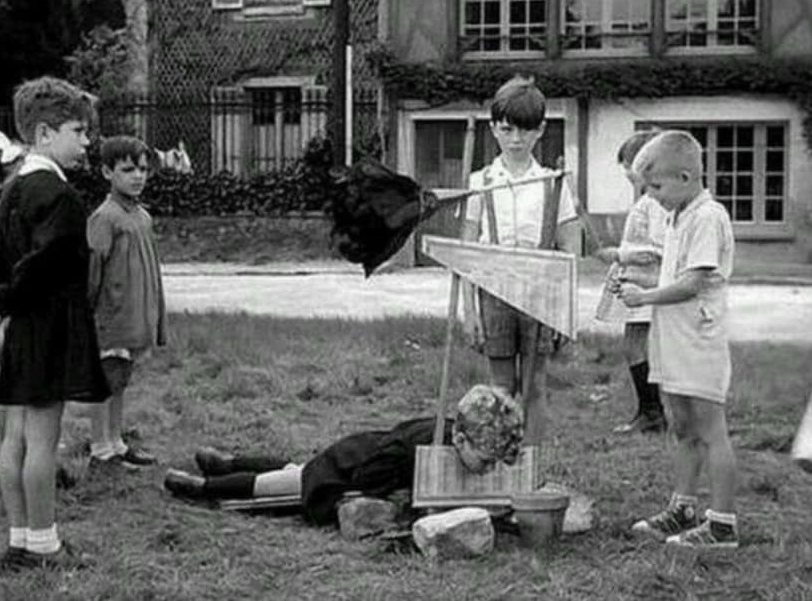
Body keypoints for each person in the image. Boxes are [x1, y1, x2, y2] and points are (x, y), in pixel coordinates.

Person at [0, 76, 111, 570]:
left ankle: (19, 537)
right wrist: (9, 298)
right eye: (78, 130)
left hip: (14, 332)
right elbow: (44, 264)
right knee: (43, 439)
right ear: (45, 134)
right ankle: (44, 544)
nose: (87, 142)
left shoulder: (12, 188)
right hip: (46, 325)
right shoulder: (59, 195)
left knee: (14, 437)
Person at [163, 384, 524, 526]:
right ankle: (204, 485)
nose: (487, 469)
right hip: (348, 467)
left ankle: (226, 461)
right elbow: (369, 479)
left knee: (293, 468)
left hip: (361, 450)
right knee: (280, 484)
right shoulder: (415, 451)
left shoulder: (454, 439)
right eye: (486, 461)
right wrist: (401, 499)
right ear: (459, 440)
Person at [617, 130, 738, 549]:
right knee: (682, 426)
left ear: (686, 176)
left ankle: (722, 524)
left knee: (710, 429)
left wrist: (644, 296)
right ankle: (683, 507)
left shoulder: (708, 217)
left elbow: (691, 284)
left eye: (656, 187)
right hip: (674, 341)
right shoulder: (676, 216)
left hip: (699, 341)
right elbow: (672, 275)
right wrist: (636, 278)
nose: (652, 196)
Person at [460, 77, 581, 445]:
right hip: (494, 293)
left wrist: (565, 310)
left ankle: (531, 463)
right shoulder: (480, 181)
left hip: (540, 294)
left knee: (534, 384)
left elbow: (569, 251)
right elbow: (467, 252)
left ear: (541, 130)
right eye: (507, 129)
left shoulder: (552, 183)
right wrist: (470, 310)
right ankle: (500, 458)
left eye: (526, 130)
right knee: (500, 386)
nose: (516, 139)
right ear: (494, 128)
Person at [86, 136, 166, 470]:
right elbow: (93, 269)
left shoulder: (143, 217)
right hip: (111, 314)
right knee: (106, 379)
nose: (138, 176)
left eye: (143, 169)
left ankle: (117, 441)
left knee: (121, 380)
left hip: (135, 313)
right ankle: (100, 446)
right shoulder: (105, 217)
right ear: (107, 172)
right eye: (128, 169)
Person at [595, 130, 667, 434]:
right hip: (635, 283)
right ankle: (650, 409)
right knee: (633, 346)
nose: (625, 173)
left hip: (647, 286)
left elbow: (657, 250)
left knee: (636, 346)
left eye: (628, 165)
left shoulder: (655, 203)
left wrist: (619, 254)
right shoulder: (646, 200)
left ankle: (653, 412)